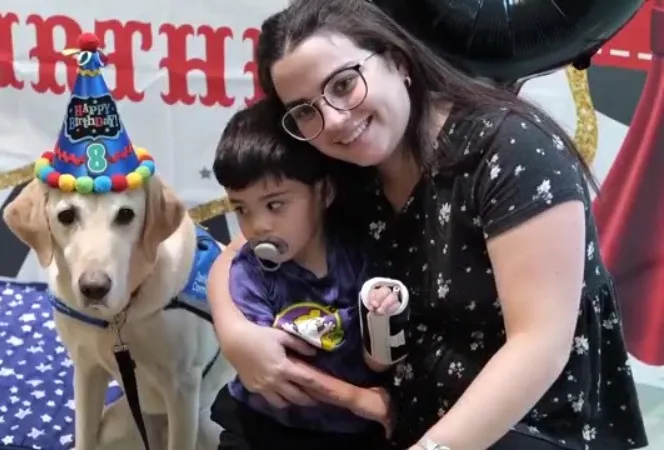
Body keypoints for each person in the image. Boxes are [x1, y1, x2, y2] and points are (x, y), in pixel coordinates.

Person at [206, 0, 649, 449]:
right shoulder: (341, 169)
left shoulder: (511, 150)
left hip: (531, 421)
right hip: (399, 413)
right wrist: (236, 335)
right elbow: (242, 248)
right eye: (304, 111)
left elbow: (538, 347)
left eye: (343, 84)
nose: (335, 120)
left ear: (398, 62)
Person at [209, 99, 408, 450]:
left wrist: (383, 318)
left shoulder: (361, 254)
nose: (258, 226)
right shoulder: (249, 273)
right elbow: (274, 370)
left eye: (275, 205)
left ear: (325, 192)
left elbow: (377, 362)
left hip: (351, 433)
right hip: (262, 428)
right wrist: (356, 399)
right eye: (241, 209)